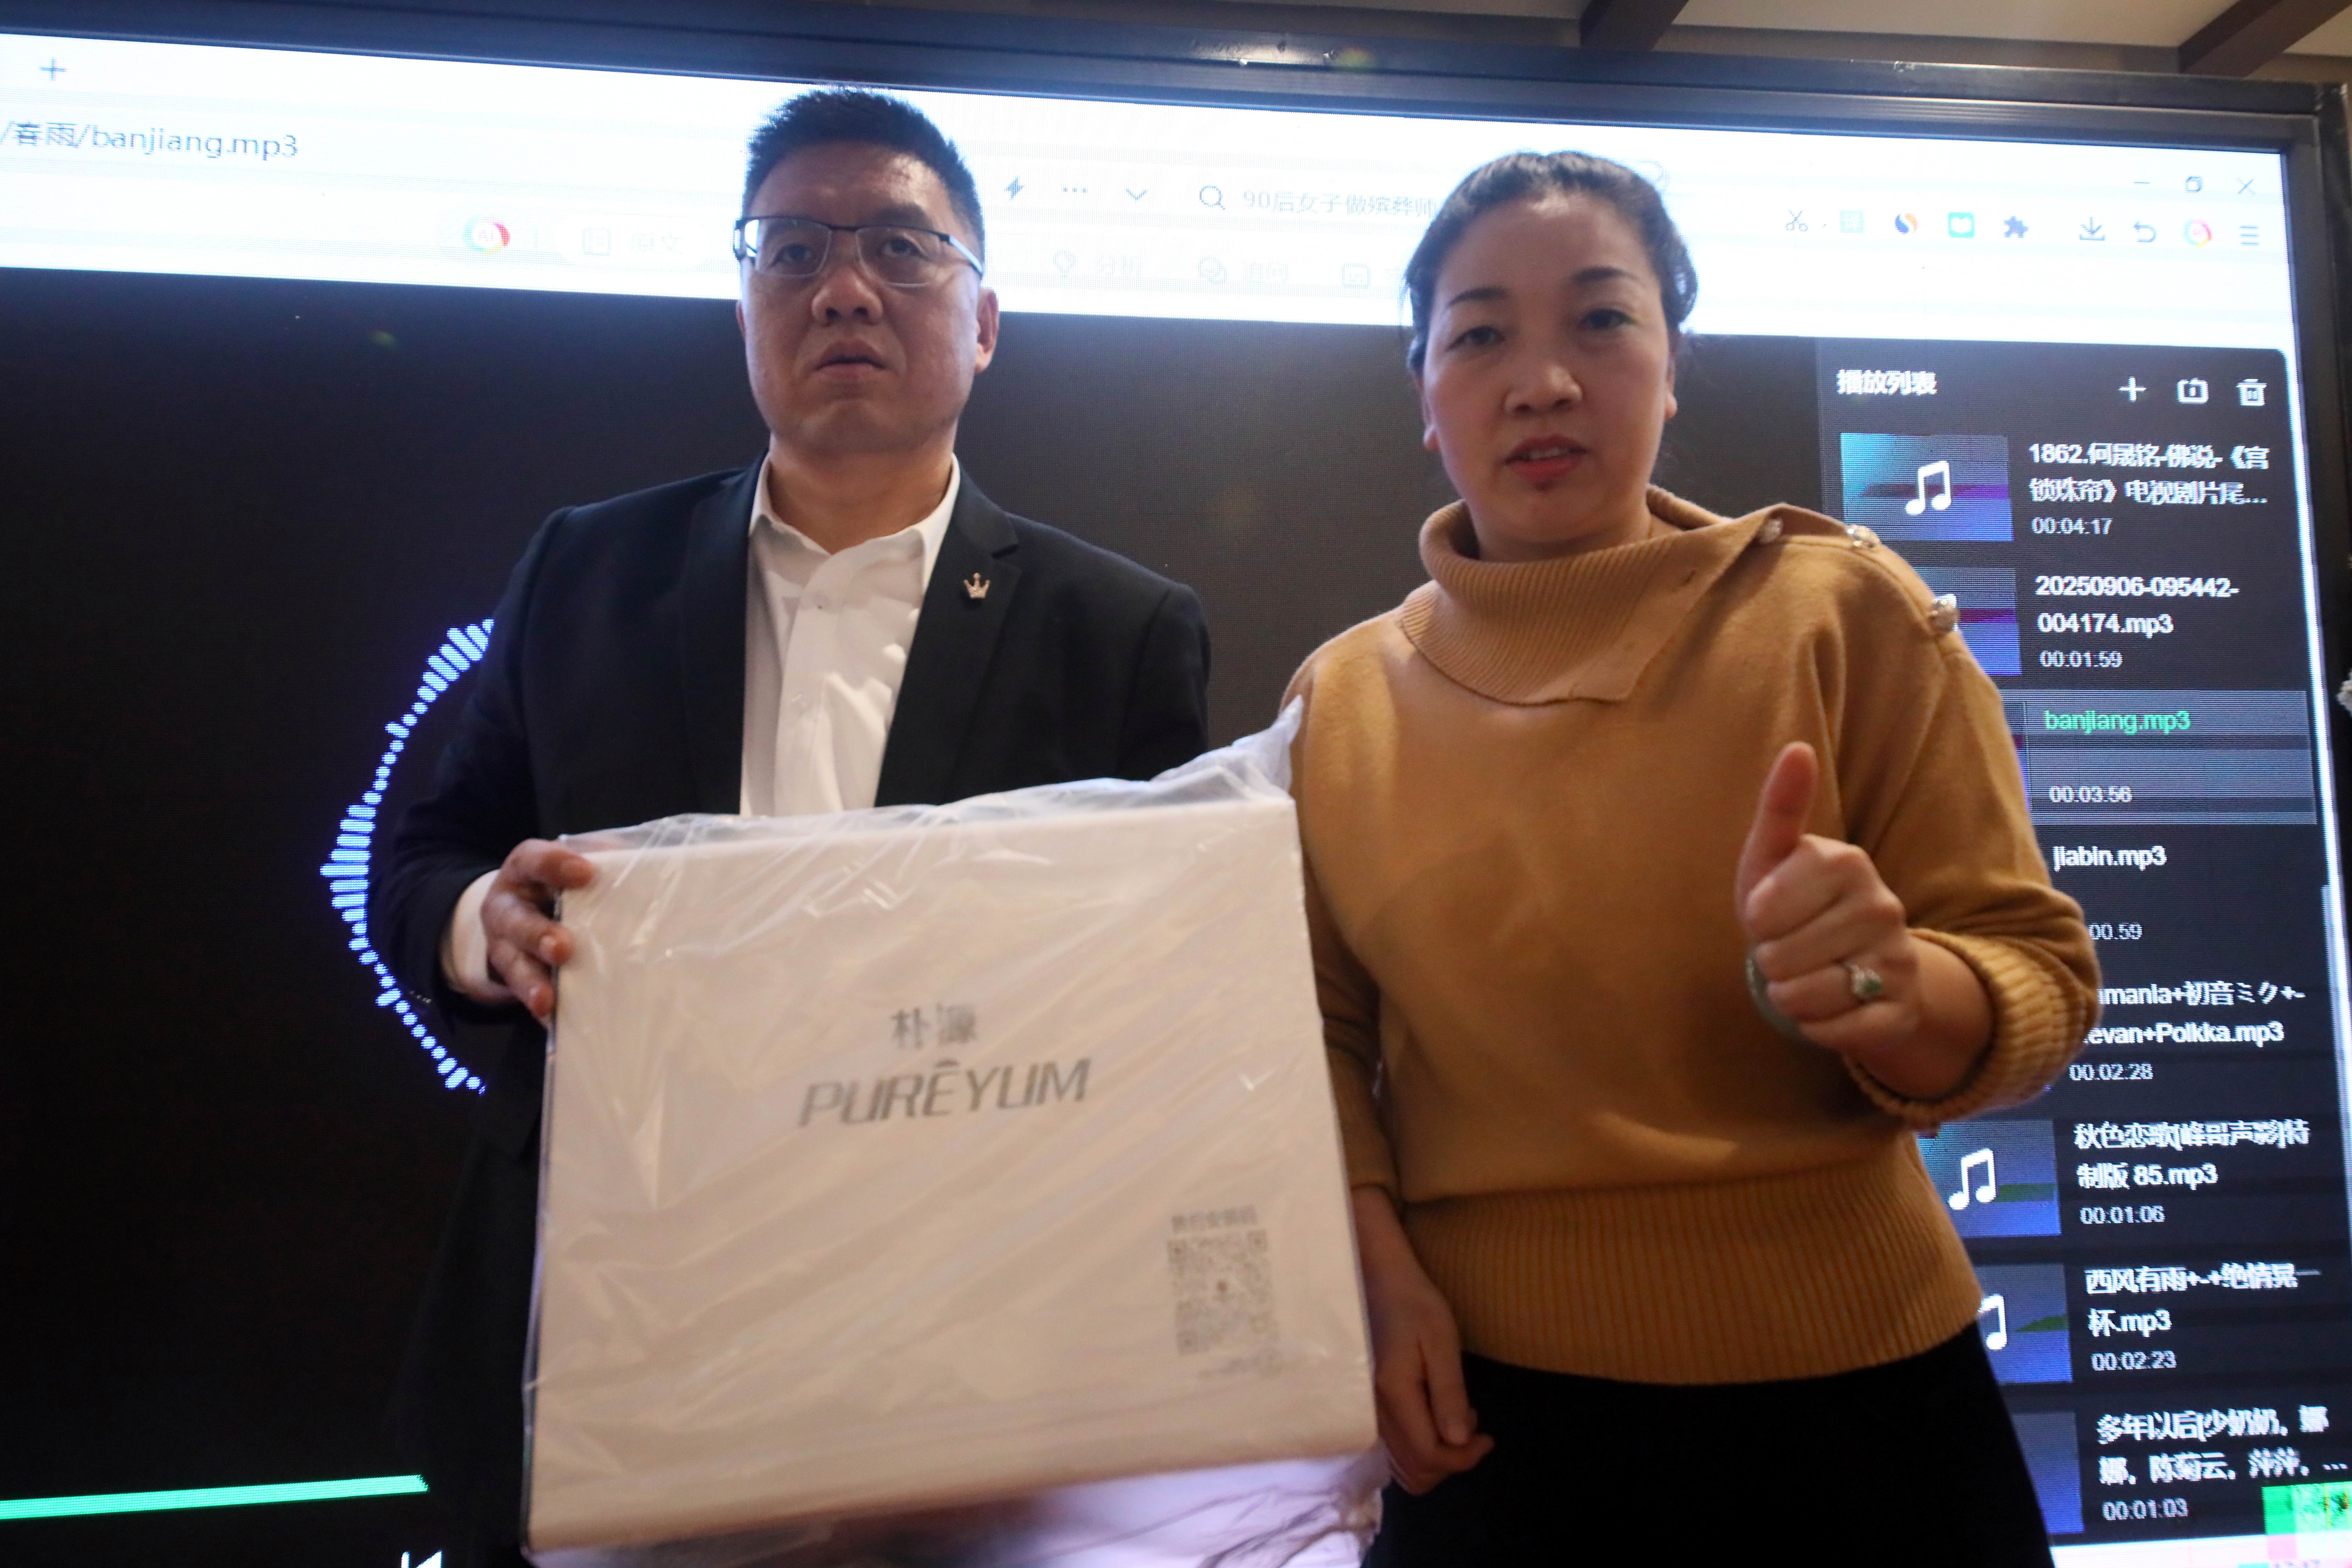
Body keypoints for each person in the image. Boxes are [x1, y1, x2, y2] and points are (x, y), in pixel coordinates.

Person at [374, 89, 1210, 1566]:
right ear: (746, 304)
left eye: (901, 246)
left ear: (985, 320)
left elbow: (1162, 1000)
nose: (844, 289)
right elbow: (426, 850)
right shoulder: (588, 570)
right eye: (794, 250)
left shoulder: (1118, 629)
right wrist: (479, 925)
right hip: (611, 1321)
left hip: (964, 1346)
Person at [1284, 152, 2097, 1563]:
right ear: (1424, 391)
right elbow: (1314, 1036)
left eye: (1602, 320)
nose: (1542, 381)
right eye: (1481, 335)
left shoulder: (1843, 612)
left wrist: (1894, 988)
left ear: (1673, 367)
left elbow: (2038, 979)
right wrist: (1378, 1276)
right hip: (1487, 1422)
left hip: (1862, 1411)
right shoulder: (1341, 700)